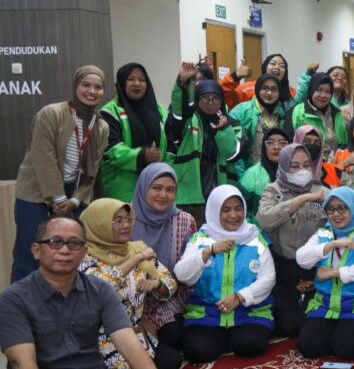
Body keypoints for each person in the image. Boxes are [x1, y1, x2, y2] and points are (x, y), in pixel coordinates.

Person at [0, 217, 184, 369]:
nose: (65, 250)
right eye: (55, 242)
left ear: (84, 251)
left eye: (74, 243)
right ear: (36, 250)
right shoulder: (13, 299)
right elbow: (23, 362)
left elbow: (127, 341)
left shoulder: (99, 289)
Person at [12, 65, 109, 281]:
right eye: (86, 85)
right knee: (30, 253)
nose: (92, 91)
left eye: (98, 87)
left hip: (72, 194)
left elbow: (92, 170)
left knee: (71, 253)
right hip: (36, 191)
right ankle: (21, 301)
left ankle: (62, 299)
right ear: (75, 86)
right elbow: (43, 159)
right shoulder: (51, 113)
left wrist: (74, 200)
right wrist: (58, 198)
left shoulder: (101, 126)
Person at [174, 186, 274, 363]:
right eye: (226, 210)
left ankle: (229, 339)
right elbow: (182, 275)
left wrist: (240, 297)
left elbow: (268, 278)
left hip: (247, 313)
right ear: (214, 211)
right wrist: (208, 252)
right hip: (207, 314)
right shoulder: (200, 239)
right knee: (198, 351)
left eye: (238, 208)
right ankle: (220, 339)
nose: (233, 215)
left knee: (250, 345)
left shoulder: (255, 237)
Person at [79, 199, 181, 369]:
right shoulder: (85, 257)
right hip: (103, 340)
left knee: (172, 362)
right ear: (98, 224)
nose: (126, 225)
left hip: (135, 335)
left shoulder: (135, 248)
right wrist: (136, 259)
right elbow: (102, 289)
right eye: (117, 220)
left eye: (128, 219)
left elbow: (170, 283)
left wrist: (157, 284)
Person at [295, 187, 354, 359]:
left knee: (346, 348)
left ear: (353, 207)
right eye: (330, 209)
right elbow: (302, 258)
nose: (336, 214)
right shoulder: (324, 233)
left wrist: (334, 272)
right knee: (309, 347)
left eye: (342, 208)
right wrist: (331, 245)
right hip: (327, 305)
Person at [256, 144, 329, 337]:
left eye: (306, 165)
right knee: (287, 326)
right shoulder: (272, 190)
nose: (302, 171)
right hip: (284, 268)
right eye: (294, 166)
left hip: (315, 268)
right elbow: (263, 220)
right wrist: (298, 201)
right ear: (283, 166)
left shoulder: (322, 192)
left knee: (312, 324)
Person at [131, 163, 197, 361]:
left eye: (170, 190)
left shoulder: (184, 221)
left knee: (176, 336)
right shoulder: (126, 219)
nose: (163, 195)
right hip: (131, 301)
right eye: (156, 188)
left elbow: (189, 270)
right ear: (144, 187)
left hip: (171, 296)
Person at [167, 66, 248, 225]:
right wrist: (182, 83)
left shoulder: (230, 123)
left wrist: (223, 130)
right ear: (198, 98)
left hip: (221, 193)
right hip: (190, 195)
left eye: (215, 98)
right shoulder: (189, 120)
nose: (210, 102)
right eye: (205, 98)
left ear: (222, 101)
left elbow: (232, 153)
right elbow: (179, 111)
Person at [99, 62, 169, 202]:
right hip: (122, 189)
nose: (137, 83)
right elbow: (113, 150)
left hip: (155, 185)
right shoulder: (109, 112)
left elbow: (168, 141)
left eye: (142, 80)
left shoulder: (159, 110)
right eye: (131, 79)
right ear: (121, 83)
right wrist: (143, 155)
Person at [228, 72, 287, 169]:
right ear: (258, 89)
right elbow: (232, 147)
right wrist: (242, 174)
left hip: (276, 172)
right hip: (250, 172)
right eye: (265, 88)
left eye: (274, 89)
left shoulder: (283, 113)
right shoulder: (241, 111)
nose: (269, 93)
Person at [286, 72, 349, 156]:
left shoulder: (337, 114)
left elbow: (343, 143)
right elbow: (289, 143)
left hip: (335, 162)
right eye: (319, 90)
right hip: (305, 160)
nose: (323, 95)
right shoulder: (297, 111)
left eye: (328, 91)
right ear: (311, 90)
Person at [220, 53, 295, 110]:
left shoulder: (292, 93)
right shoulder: (248, 89)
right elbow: (221, 94)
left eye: (282, 66)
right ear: (265, 67)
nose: (277, 67)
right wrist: (236, 76)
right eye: (273, 63)